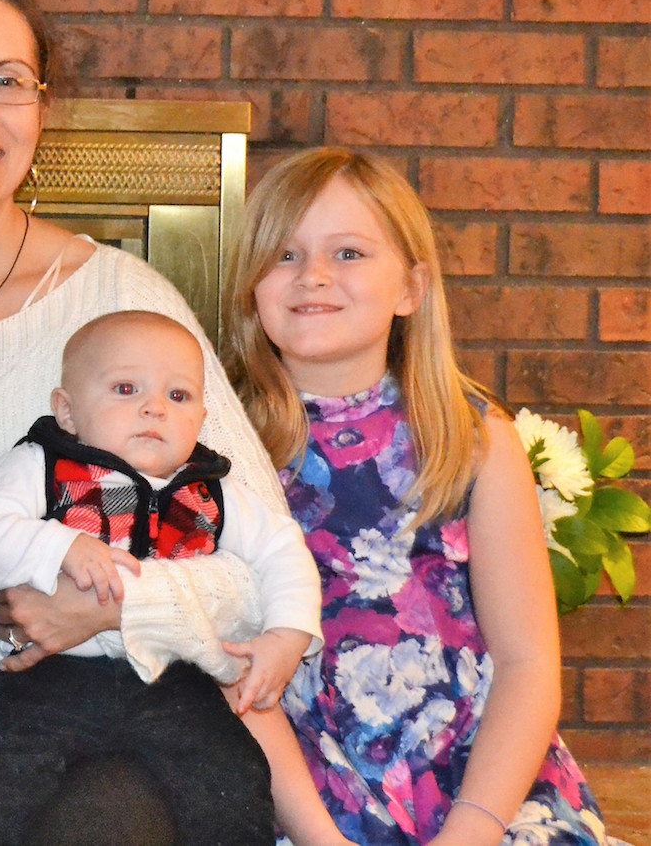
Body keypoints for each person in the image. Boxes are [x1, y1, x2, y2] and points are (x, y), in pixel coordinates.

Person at [0, 0, 287, 845]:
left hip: (109, 721)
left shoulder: (127, 301)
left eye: (9, 81)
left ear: (41, 111)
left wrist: (119, 606)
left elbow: (261, 570)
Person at [223, 148, 612, 846]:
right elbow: (230, 670)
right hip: (299, 790)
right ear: (251, 287)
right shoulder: (223, 449)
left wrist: (472, 830)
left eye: (348, 252)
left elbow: (528, 665)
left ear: (411, 287)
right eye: (284, 254)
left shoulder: (474, 438)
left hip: (482, 781)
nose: (312, 274)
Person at [0, 309, 322, 845]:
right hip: (51, 681)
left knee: (233, 779)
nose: (154, 408)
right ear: (68, 412)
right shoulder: (46, 465)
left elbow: (282, 550)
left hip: (175, 682)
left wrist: (288, 636)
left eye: (178, 396)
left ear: (201, 416)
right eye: (126, 388)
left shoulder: (210, 489)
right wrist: (61, 544)